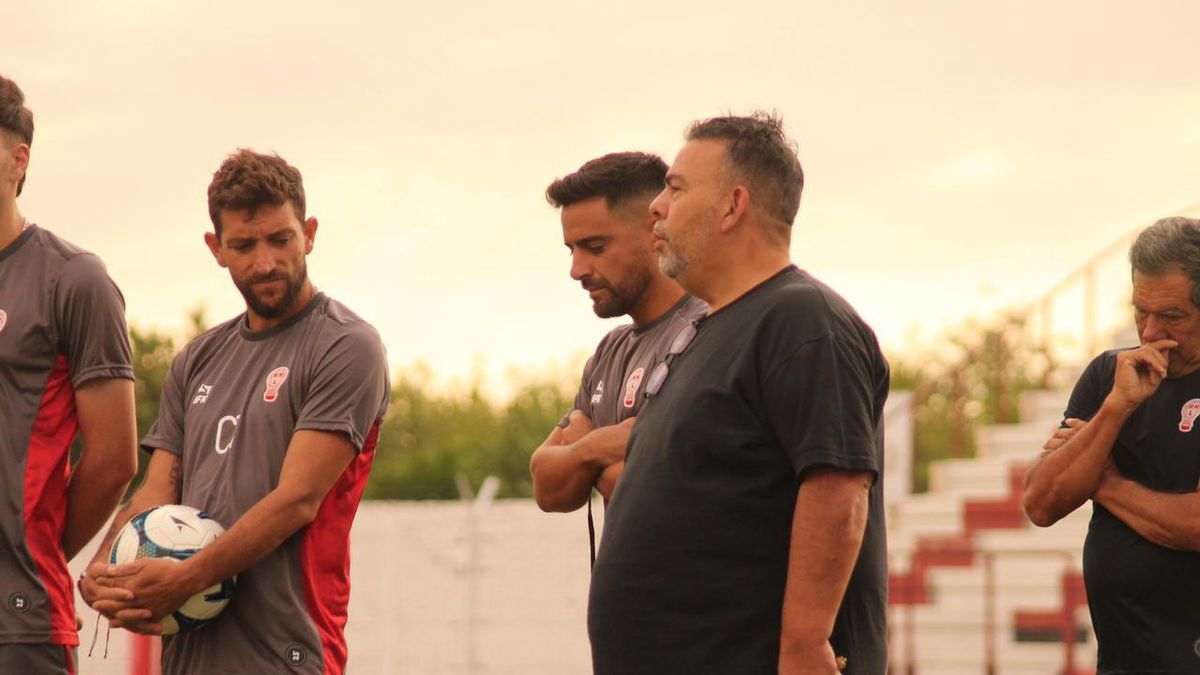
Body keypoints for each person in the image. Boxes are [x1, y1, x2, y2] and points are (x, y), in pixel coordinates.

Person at [588, 113, 890, 674]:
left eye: (675, 189)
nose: (656, 206)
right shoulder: (707, 333)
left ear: (733, 206)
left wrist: (803, 647)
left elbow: (838, 486)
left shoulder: (801, 318)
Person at [79, 149, 390, 675]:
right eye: (243, 245)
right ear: (216, 248)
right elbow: (158, 489)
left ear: (309, 233)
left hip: (288, 651)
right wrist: (105, 565)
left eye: (280, 239)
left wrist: (185, 579)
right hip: (190, 655)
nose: (265, 262)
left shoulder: (346, 345)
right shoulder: (197, 359)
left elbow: (296, 501)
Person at [0, 73, 138, 675]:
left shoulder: (73, 279)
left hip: (18, 623)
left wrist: (33, 555)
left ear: (18, 158)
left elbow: (114, 461)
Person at [1023, 216, 1200, 673]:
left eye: (1172, 316)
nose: (1150, 332)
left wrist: (1105, 483)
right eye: (1141, 311)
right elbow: (1041, 504)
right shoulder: (1109, 376)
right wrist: (1114, 410)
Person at [529, 152, 705, 519]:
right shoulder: (610, 350)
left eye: (595, 248)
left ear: (655, 229)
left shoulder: (706, 333)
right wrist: (595, 447)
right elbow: (548, 487)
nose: (577, 270)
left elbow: (658, 503)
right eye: (571, 250)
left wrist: (578, 450)